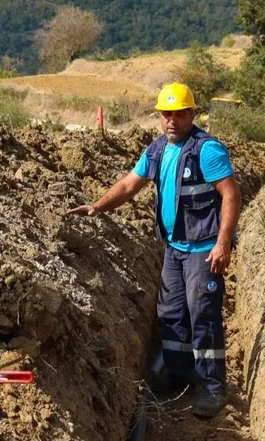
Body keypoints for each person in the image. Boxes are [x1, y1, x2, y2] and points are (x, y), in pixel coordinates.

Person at [68, 83, 241, 419]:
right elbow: (129, 185)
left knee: (202, 316)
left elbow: (231, 195)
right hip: (174, 248)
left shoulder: (207, 150)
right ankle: (179, 376)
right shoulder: (158, 149)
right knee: (172, 315)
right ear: (159, 117)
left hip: (204, 249)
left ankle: (213, 387)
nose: (172, 120)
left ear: (192, 113)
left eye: (179, 113)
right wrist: (97, 206)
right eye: (166, 114)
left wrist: (223, 243)